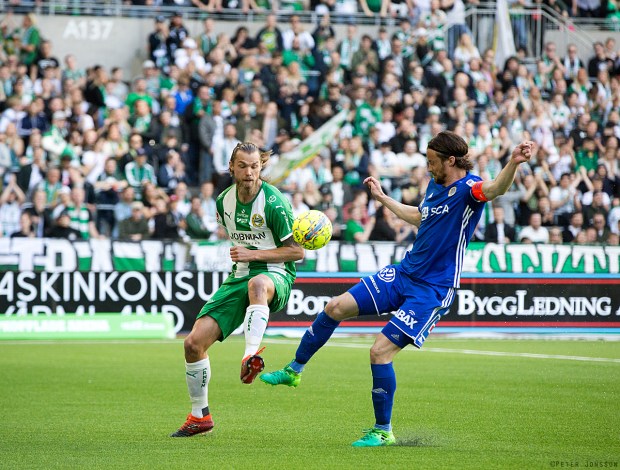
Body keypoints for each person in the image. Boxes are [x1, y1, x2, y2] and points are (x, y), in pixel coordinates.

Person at [260, 131, 534, 447]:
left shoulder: (470, 189)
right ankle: (294, 370)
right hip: (403, 273)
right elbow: (420, 216)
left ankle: (383, 431)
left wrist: (513, 162)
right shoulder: (435, 186)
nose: (428, 167)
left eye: (432, 161)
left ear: (451, 160)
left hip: (432, 289)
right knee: (334, 307)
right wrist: (382, 198)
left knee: (379, 352)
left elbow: (497, 188)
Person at [170, 142, 305, 437]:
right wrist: (246, 257)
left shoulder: (274, 203)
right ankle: (199, 416)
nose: (249, 172)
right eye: (242, 166)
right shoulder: (223, 202)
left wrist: (253, 254)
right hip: (239, 275)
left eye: (255, 166)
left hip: (275, 274)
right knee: (193, 344)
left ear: (261, 167)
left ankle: (250, 355)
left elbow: (297, 252)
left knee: (257, 283)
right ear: (231, 167)